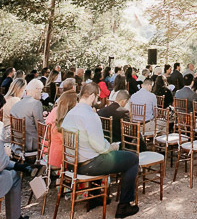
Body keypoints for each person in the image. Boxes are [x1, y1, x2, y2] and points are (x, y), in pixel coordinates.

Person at [60, 82, 140, 218]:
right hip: (89, 165)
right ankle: (124, 205)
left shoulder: (70, 114)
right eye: (97, 97)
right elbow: (100, 147)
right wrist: (113, 146)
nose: (97, 101)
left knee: (98, 154)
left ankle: (96, 197)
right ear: (92, 96)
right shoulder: (90, 115)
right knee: (132, 158)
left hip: (73, 164)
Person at [9, 79, 44, 154]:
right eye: (41, 91)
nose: (41, 93)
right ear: (36, 90)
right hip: (31, 144)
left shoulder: (16, 105)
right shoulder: (36, 103)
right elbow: (41, 128)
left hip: (17, 143)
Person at [46, 91, 77, 171]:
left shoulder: (55, 111)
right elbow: (71, 143)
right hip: (62, 159)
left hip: (52, 154)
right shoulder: (67, 120)